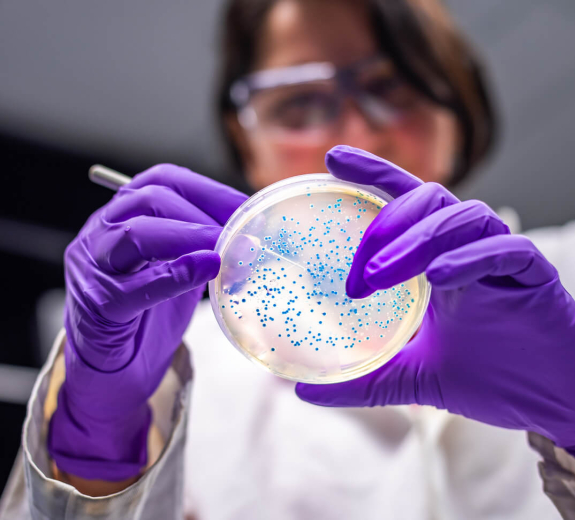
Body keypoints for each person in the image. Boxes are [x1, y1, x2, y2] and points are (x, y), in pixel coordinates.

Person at [1, 0, 575, 518]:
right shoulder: (186, 358)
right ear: (245, 138)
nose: (356, 133)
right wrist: (101, 438)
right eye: (299, 102)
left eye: (395, 87)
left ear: (461, 111)